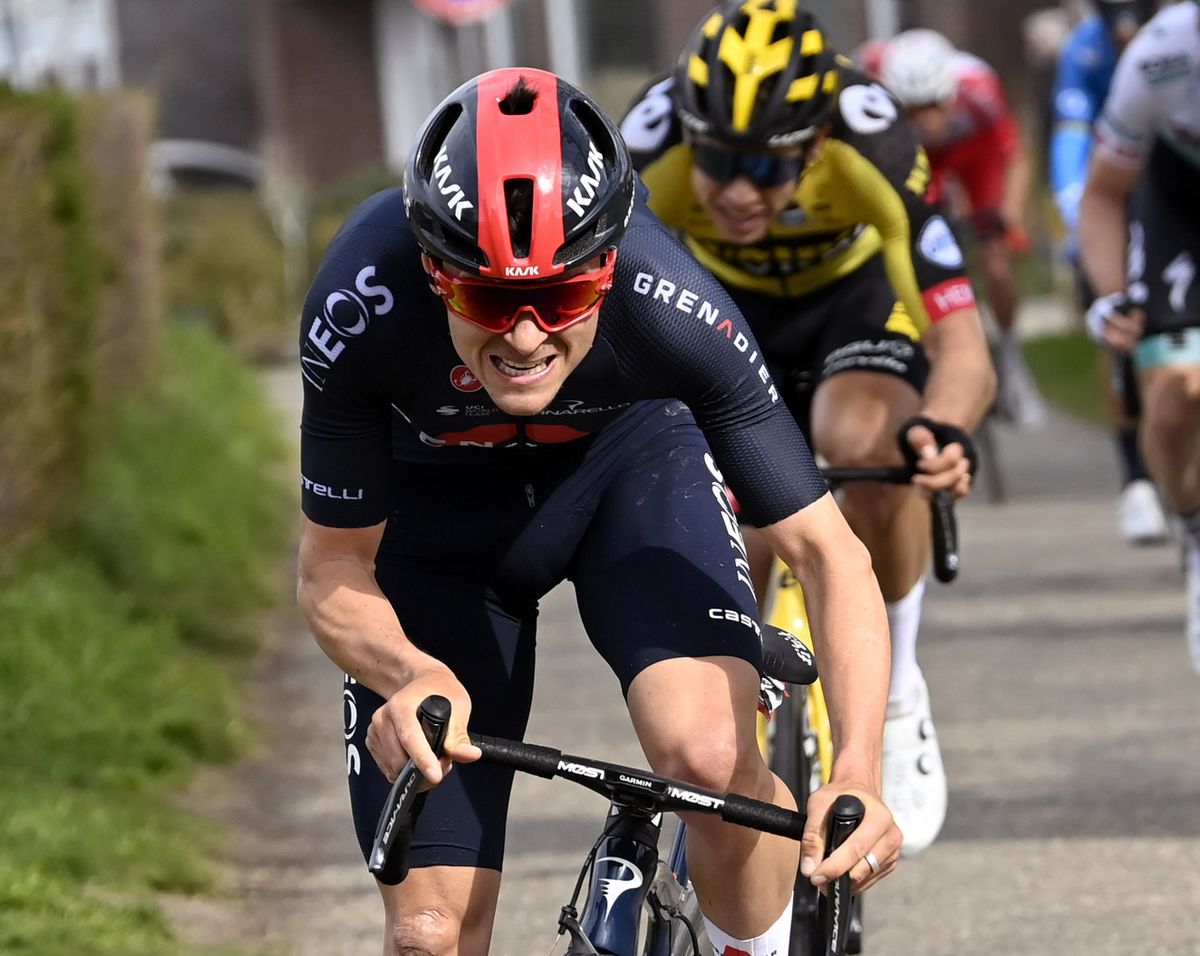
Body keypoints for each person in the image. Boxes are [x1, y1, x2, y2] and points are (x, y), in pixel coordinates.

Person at [297, 66, 903, 956]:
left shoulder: (673, 305)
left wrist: (857, 768)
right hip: (437, 525)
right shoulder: (359, 303)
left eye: (564, 296)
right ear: (434, 271)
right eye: (491, 298)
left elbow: (827, 553)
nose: (527, 337)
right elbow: (330, 569)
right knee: (429, 938)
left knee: (706, 757)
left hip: (629, 471)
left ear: (609, 264)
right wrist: (404, 672)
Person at [619, 1, 995, 856]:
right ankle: (728, 768)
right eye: (717, 160)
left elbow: (962, 343)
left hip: (852, 304)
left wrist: (945, 428)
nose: (737, 190)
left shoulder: (877, 143)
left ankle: (897, 699)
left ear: (819, 144)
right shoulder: (646, 149)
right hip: (721, 305)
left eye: (766, 166)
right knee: (732, 527)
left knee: (867, 445)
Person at [1079, 0, 1200, 674]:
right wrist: (1109, 294)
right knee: (1177, 394)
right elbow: (1102, 194)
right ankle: (1195, 531)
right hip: (1180, 208)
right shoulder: (1159, 55)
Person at [880, 27, 1047, 429]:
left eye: (935, 105)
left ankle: (1010, 357)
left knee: (998, 255)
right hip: (912, 159)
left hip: (974, 155)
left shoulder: (980, 91)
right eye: (914, 109)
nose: (927, 119)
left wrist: (1006, 218)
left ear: (950, 94)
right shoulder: (876, 99)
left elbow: (1015, 159)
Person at [1050, 0, 1170, 545]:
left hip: (1173, 192)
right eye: (1115, 27)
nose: (1125, 36)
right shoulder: (1084, 49)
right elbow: (1071, 135)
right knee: (1118, 327)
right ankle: (1137, 480)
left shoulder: (1173, 40)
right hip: (1111, 191)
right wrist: (1078, 215)